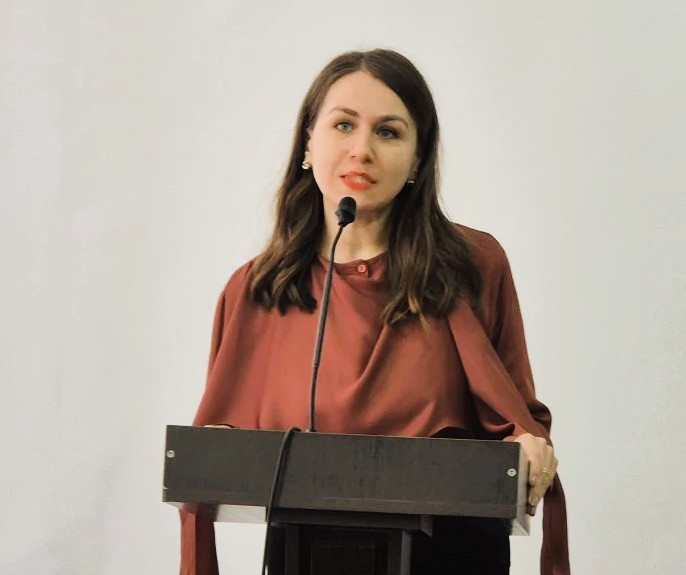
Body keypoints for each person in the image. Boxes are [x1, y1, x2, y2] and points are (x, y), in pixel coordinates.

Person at [179, 48, 569, 575]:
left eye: (388, 132)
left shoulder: (473, 265)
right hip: (306, 554)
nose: (361, 150)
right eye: (344, 125)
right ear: (308, 144)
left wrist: (530, 449)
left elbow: (518, 419)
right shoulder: (258, 290)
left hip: (453, 553)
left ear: (417, 159)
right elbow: (208, 461)